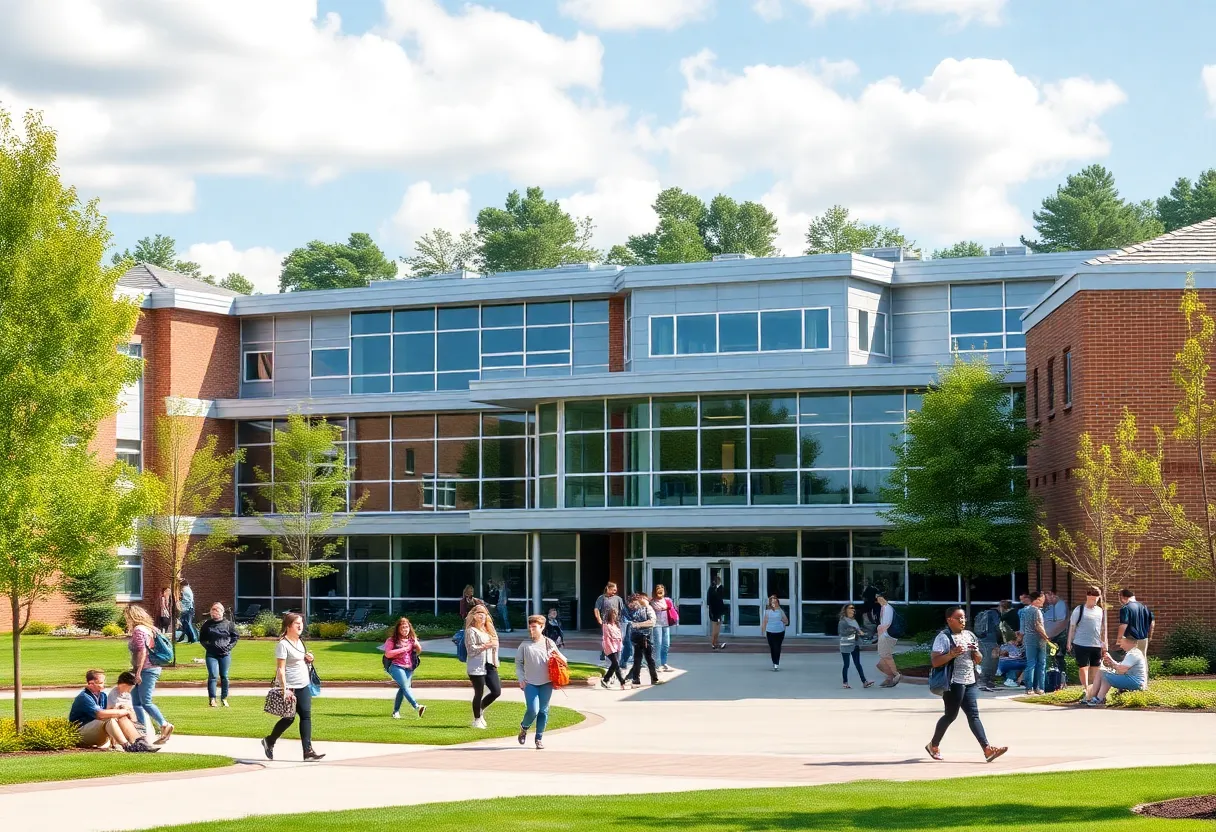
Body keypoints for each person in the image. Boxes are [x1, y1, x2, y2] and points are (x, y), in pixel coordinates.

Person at [925, 606, 1008, 764]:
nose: (963, 621)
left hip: (970, 681)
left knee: (974, 715)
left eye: (963, 618)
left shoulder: (970, 635)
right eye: (959, 618)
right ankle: (933, 745)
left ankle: (987, 750)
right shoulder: (943, 637)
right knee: (951, 715)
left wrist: (975, 652)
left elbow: (978, 659)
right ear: (949, 620)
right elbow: (935, 662)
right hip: (953, 683)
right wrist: (952, 653)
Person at [262, 612, 324, 761]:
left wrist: (309, 658)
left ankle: (307, 751)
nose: (300, 626)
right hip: (290, 687)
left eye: (301, 623)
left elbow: (300, 660)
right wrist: (285, 690)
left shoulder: (300, 641)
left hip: (304, 685)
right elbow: (281, 669)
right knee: (289, 718)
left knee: (306, 716)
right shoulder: (283, 644)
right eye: (297, 623)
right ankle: (269, 741)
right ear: (289, 626)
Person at [516, 615, 568, 750]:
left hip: (546, 682)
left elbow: (564, 660)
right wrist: (521, 679)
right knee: (533, 709)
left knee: (543, 711)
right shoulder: (524, 645)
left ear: (542, 627)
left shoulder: (549, 643)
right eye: (530, 626)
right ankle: (524, 727)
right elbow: (519, 663)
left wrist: (555, 656)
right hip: (530, 683)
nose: (532, 629)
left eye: (535, 627)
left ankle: (539, 738)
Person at [69, 669, 154, 752]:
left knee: (119, 716)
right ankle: (126, 746)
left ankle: (139, 742)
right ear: (91, 683)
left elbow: (108, 712)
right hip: (81, 734)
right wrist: (125, 711)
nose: (104, 685)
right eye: (101, 683)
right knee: (109, 719)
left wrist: (121, 710)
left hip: (96, 732)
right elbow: (100, 714)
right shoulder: (84, 697)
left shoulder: (102, 695)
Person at [125, 605, 173, 744]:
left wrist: (138, 672)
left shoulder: (139, 630)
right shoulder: (151, 628)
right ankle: (142, 732)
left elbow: (142, 651)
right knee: (136, 702)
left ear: (132, 616)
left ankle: (164, 724)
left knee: (145, 701)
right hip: (151, 668)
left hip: (147, 669)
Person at [464, 604, 501, 728]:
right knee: (479, 692)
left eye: (484, 613)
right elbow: (470, 650)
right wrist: (485, 646)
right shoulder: (470, 631)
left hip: (490, 664)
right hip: (476, 666)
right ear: (474, 616)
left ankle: (480, 709)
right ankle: (477, 719)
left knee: (496, 691)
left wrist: (495, 660)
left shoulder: (489, 629)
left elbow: (495, 646)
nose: (483, 616)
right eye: (480, 613)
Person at [1086, 634, 1149, 706]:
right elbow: (1121, 668)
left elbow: (1121, 670)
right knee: (1102, 671)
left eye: (1122, 643)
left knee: (1105, 676)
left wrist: (1111, 661)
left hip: (1135, 682)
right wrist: (1111, 663)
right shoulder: (1133, 653)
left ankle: (1099, 699)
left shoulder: (1133, 654)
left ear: (1129, 643)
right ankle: (1094, 697)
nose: (1121, 646)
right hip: (1133, 679)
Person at [383, 617, 426, 719]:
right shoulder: (392, 640)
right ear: (398, 629)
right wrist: (404, 649)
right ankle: (417, 706)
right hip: (396, 666)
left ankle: (395, 712)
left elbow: (418, 651)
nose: (405, 630)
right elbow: (388, 654)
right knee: (406, 687)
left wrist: (417, 645)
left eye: (406, 627)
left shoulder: (411, 640)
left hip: (409, 667)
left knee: (403, 688)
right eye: (402, 628)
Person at [199, 602, 239, 708]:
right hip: (211, 654)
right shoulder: (207, 624)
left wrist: (229, 647)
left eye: (217, 610)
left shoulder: (229, 624)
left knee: (224, 676)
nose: (214, 612)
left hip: (225, 654)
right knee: (213, 675)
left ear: (222, 612)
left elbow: (235, 637)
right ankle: (212, 699)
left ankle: (224, 698)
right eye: (213, 610)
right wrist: (209, 646)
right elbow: (202, 639)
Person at [1067, 586, 1107, 690]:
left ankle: (1093, 690)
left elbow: (1102, 628)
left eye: (1097, 599)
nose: (1094, 601)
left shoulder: (1100, 610)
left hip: (1096, 644)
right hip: (1081, 643)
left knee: (1095, 668)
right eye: (1092, 598)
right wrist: (1069, 642)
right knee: (1083, 667)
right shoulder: (1079, 610)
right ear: (1087, 596)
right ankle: (1085, 689)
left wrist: (1104, 642)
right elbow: (1072, 626)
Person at [627, 592, 662, 688]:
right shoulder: (634, 610)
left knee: (649, 658)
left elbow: (652, 622)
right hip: (636, 637)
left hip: (646, 637)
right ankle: (635, 680)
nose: (633, 605)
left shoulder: (648, 609)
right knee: (637, 659)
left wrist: (638, 625)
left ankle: (654, 678)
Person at [1018, 591, 1049, 695]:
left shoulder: (1024, 611)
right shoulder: (1037, 611)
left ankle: (1029, 688)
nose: (1043, 602)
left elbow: (1022, 629)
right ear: (1036, 600)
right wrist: (1047, 638)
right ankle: (1039, 688)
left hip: (1028, 638)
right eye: (1042, 600)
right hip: (1039, 639)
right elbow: (1038, 625)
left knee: (1031, 663)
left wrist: (1020, 639)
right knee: (1041, 663)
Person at [837, 604, 873, 688]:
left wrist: (863, 633)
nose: (853, 610)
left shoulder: (854, 621)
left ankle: (864, 682)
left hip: (855, 644)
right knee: (846, 664)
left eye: (853, 608)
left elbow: (858, 631)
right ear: (846, 610)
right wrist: (854, 630)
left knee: (858, 664)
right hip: (846, 644)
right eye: (850, 608)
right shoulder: (842, 621)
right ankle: (845, 683)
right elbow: (842, 632)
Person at [593, 582, 626, 666]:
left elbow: (622, 610)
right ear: (608, 588)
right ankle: (605, 652)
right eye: (613, 590)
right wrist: (599, 618)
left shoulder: (618, 599)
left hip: (616, 622)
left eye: (615, 590)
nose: (614, 591)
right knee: (607, 639)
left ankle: (616, 656)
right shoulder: (602, 598)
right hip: (605, 622)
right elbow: (596, 609)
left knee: (616, 638)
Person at [974, 602, 1004, 692]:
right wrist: (1002, 639)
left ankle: (986, 682)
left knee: (986, 660)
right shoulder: (994, 613)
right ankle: (986, 682)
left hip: (981, 639)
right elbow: (998, 626)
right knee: (991, 662)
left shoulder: (982, 613)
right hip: (991, 640)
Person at [874, 591, 901, 687]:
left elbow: (887, 623)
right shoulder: (884, 608)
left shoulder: (888, 608)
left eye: (880, 598)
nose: (878, 600)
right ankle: (889, 678)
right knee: (881, 663)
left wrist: (879, 628)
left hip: (887, 635)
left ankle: (896, 675)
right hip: (883, 635)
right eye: (877, 598)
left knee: (885, 655)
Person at [1117, 589, 1155, 655]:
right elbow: (1152, 623)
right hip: (1144, 639)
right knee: (1142, 660)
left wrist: (1119, 639)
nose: (1119, 600)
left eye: (1119, 597)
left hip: (1131, 639)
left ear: (1124, 597)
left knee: (1131, 661)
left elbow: (1124, 624)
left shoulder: (1125, 608)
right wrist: (1149, 636)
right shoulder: (1145, 607)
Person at [1042, 589, 1069, 677]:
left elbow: (1061, 622)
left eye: (1048, 598)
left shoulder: (1060, 605)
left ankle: (1061, 678)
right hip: (1054, 636)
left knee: (1059, 657)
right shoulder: (1053, 606)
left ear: (1052, 595)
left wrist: (1050, 635)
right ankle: (1056, 676)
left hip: (1059, 636)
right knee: (1054, 657)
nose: (1047, 600)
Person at [599, 607, 626, 689]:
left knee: (614, 665)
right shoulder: (606, 625)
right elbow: (606, 638)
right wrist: (610, 648)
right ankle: (622, 682)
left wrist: (620, 645)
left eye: (616, 615)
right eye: (613, 615)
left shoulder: (616, 625)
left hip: (617, 646)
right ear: (610, 616)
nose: (615, 616)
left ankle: (605, 679)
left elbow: (620, 636)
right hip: (610, 647)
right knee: (616, 664)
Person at [650, 585, 676, 672]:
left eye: (662, 591)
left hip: (666, 624)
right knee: (658, 644)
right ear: (655, 592)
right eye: (658, 591)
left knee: (666, 644)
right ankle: (657, 665)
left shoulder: (667, 600)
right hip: (657, 624)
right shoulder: (652, 601)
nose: (661, 592)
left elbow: (671, 608)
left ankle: (664, 663)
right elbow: (658, 608)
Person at [763, 595, 789, 671]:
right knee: (772, 647)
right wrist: (763, 631)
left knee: (777, 647)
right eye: (772, 601)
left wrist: (782, 622)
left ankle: (776, 663)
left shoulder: (781, 611)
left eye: (775, 601)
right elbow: (765, 622)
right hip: (770, 631)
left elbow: (786, 621)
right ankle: (774, 662)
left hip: (779, 631)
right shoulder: (767, 612)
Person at [707, 572, 727, 650]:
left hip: (718, 611)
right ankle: (713, 643)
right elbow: (711, 601)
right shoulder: (712, 589)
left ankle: (716, 642)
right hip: (714, 612)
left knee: (718, 628)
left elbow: (721, 597)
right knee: (715, 629)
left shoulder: (720, 588)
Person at [176, 580, 197, 644]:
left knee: (187, 623)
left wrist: (181, 605)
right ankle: (190, 638)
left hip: (187, 609)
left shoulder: (185, 590)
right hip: (187, 609)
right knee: (185, 624)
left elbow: (187, 601)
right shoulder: (187, 589)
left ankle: (193, 638)